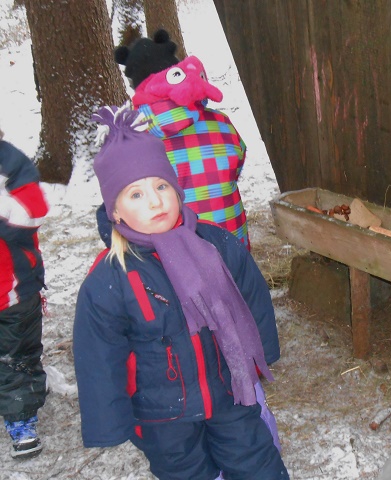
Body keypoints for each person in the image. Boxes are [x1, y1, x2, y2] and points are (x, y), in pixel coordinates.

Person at [73, 105, 288, 480]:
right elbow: (98, 354)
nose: (155, 201)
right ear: (115, 212)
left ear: (176, 188)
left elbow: (252, 297)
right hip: (163, 414)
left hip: (230, 390)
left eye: (161, 186)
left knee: (256, 463)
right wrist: (108, 419)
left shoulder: (214, 244)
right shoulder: (110, 278)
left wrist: (261, 357)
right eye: (135, 194)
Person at [115, 30, 251, 250]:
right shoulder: (221, 122)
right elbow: (238, 163)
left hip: (179, 255)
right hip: (234, 245)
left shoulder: (133, 139)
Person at [0, 127, 48, 458]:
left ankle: (21, 418)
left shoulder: (8, 161)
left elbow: (34, 209)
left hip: (14, 288)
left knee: (17, 356)